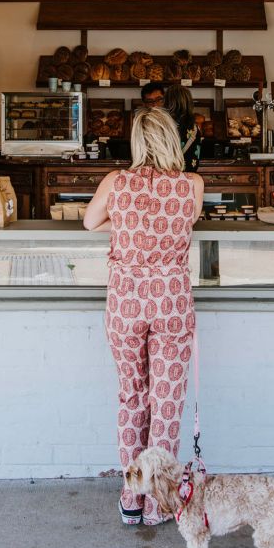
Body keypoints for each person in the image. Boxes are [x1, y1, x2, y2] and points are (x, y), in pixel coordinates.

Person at [83, 107, 204, 526]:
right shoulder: (192, 186)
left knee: (132, 397)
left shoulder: (116, 183)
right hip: (171, 300)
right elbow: (186, 224)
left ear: (137, 142)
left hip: (127, 301)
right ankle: (158, 506)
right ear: (174, 140)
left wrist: (122, 222)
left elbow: (88, 221)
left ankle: (131, 497)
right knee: (166, 404)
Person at [164, 83, 202, 172]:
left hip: (167, 177)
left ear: (168, 102)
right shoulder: (195, 127)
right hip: (189, 177)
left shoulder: (164, 125)